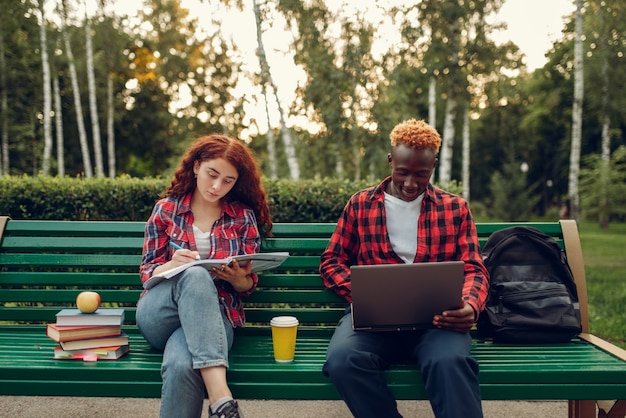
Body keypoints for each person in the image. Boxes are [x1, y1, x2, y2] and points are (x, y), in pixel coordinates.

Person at [319, 119, 489, 418]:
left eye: (421, 174)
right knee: (342, 360)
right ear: (390, 161)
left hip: (437, 323)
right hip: (374, 323)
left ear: (433, 166)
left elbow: (475, 268)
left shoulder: (455, 208)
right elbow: (331, 261)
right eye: (402, 173)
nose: (410, 183)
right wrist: (365, 293)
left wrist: (471, 306)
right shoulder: (361, 204)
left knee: (449, 362)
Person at [137, 134, 272, 418]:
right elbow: (148, 271)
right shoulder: (166, 210)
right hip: (159, 314)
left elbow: (248, 284)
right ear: (197, 166)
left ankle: (221, 408)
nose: (216, 186)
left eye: (228, 181)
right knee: (195, 275)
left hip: (215, 318)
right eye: (212, 174)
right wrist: (173, 264)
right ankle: (221, 397)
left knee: (181, 364)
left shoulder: (242, 217)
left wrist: (237, 279)